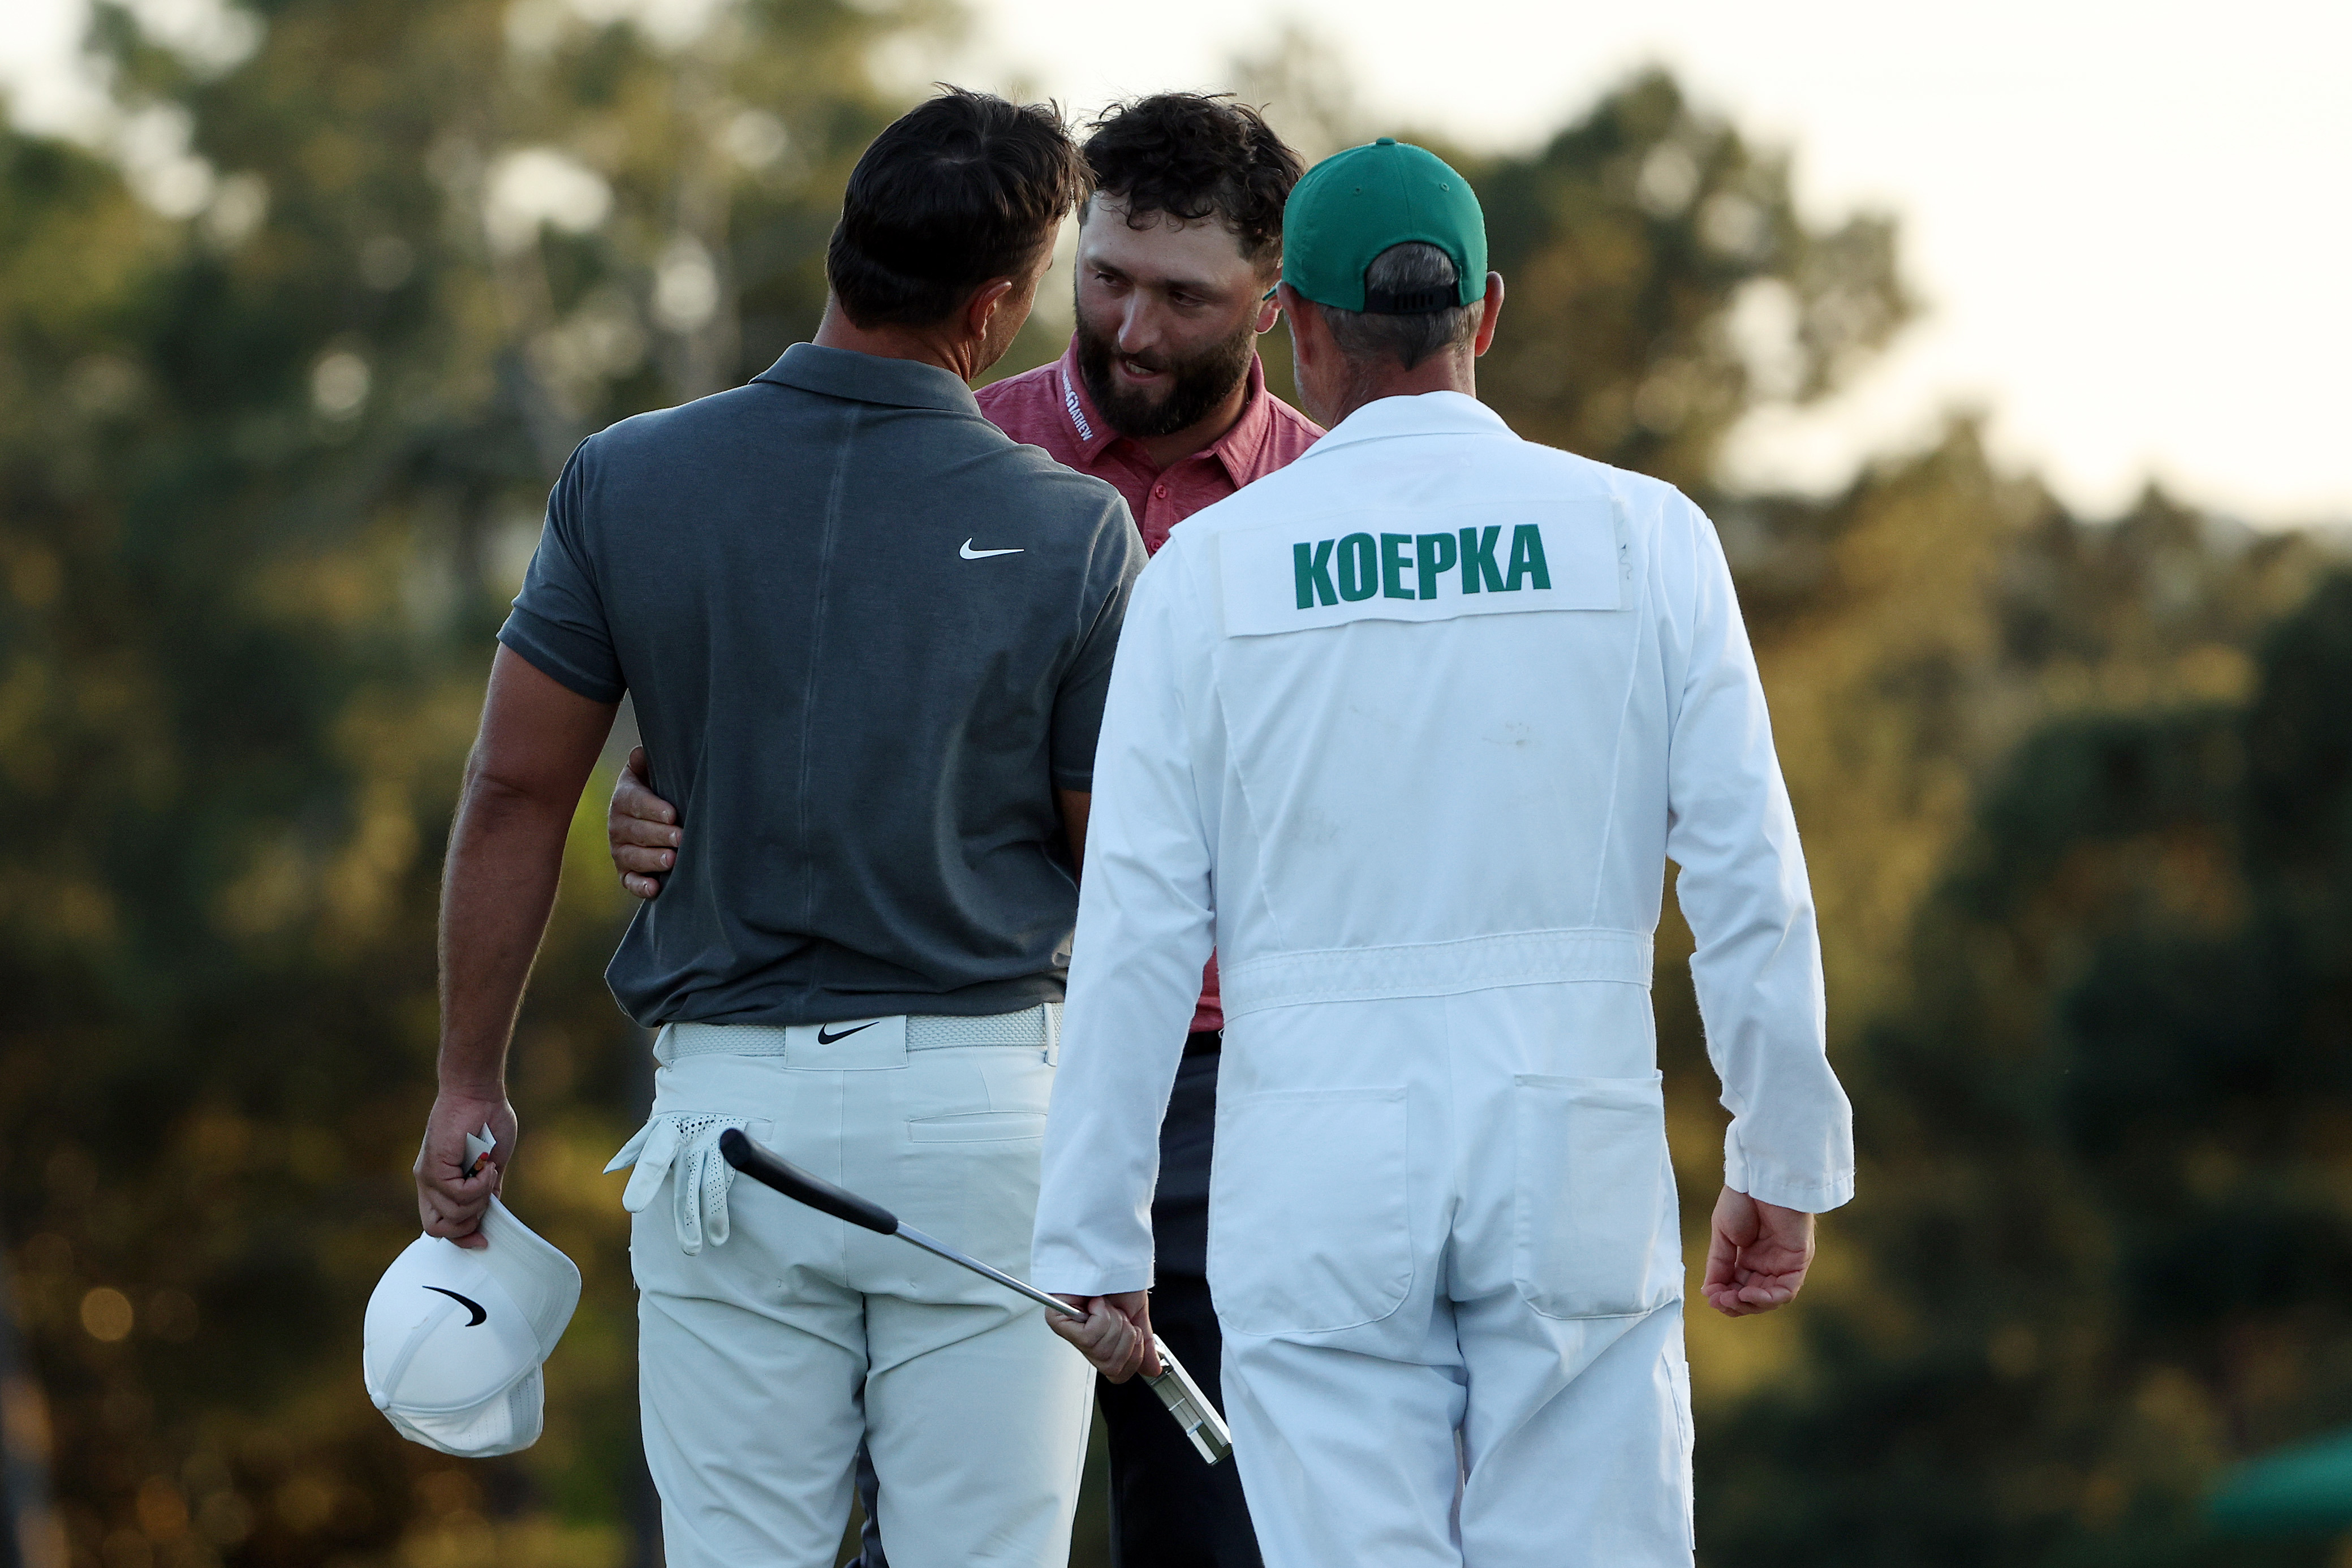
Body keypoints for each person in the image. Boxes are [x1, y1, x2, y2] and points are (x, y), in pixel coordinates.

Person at [1027, 138, 1857, 1568]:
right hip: (1571, 1133)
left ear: (1295, 321)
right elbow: (1746, 882)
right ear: (1484, 317)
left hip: (1310, 1153)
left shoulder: (1209, 575)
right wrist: (1779, 1149)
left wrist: (1094, 1229)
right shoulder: (1647, 537)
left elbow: (1142, 926)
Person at [412, 89, 1141, 1567]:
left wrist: (465, 1082)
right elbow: (1116, 876)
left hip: (728, 1128)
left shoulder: (625, 476)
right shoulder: (1072, 530)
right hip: (984, 1120)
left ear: (843, 247)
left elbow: (510, 790)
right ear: (995, 304)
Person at [606, 93, 1313, 1568]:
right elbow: (763, 712)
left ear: (1272, 302)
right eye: (1105, 274)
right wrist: (677, 804)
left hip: (1244, 1097)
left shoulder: (1323, 513)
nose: (1127, 324)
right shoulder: (937, 442)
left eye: (1182, 296)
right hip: (996, 1075)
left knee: (1222, 1538)